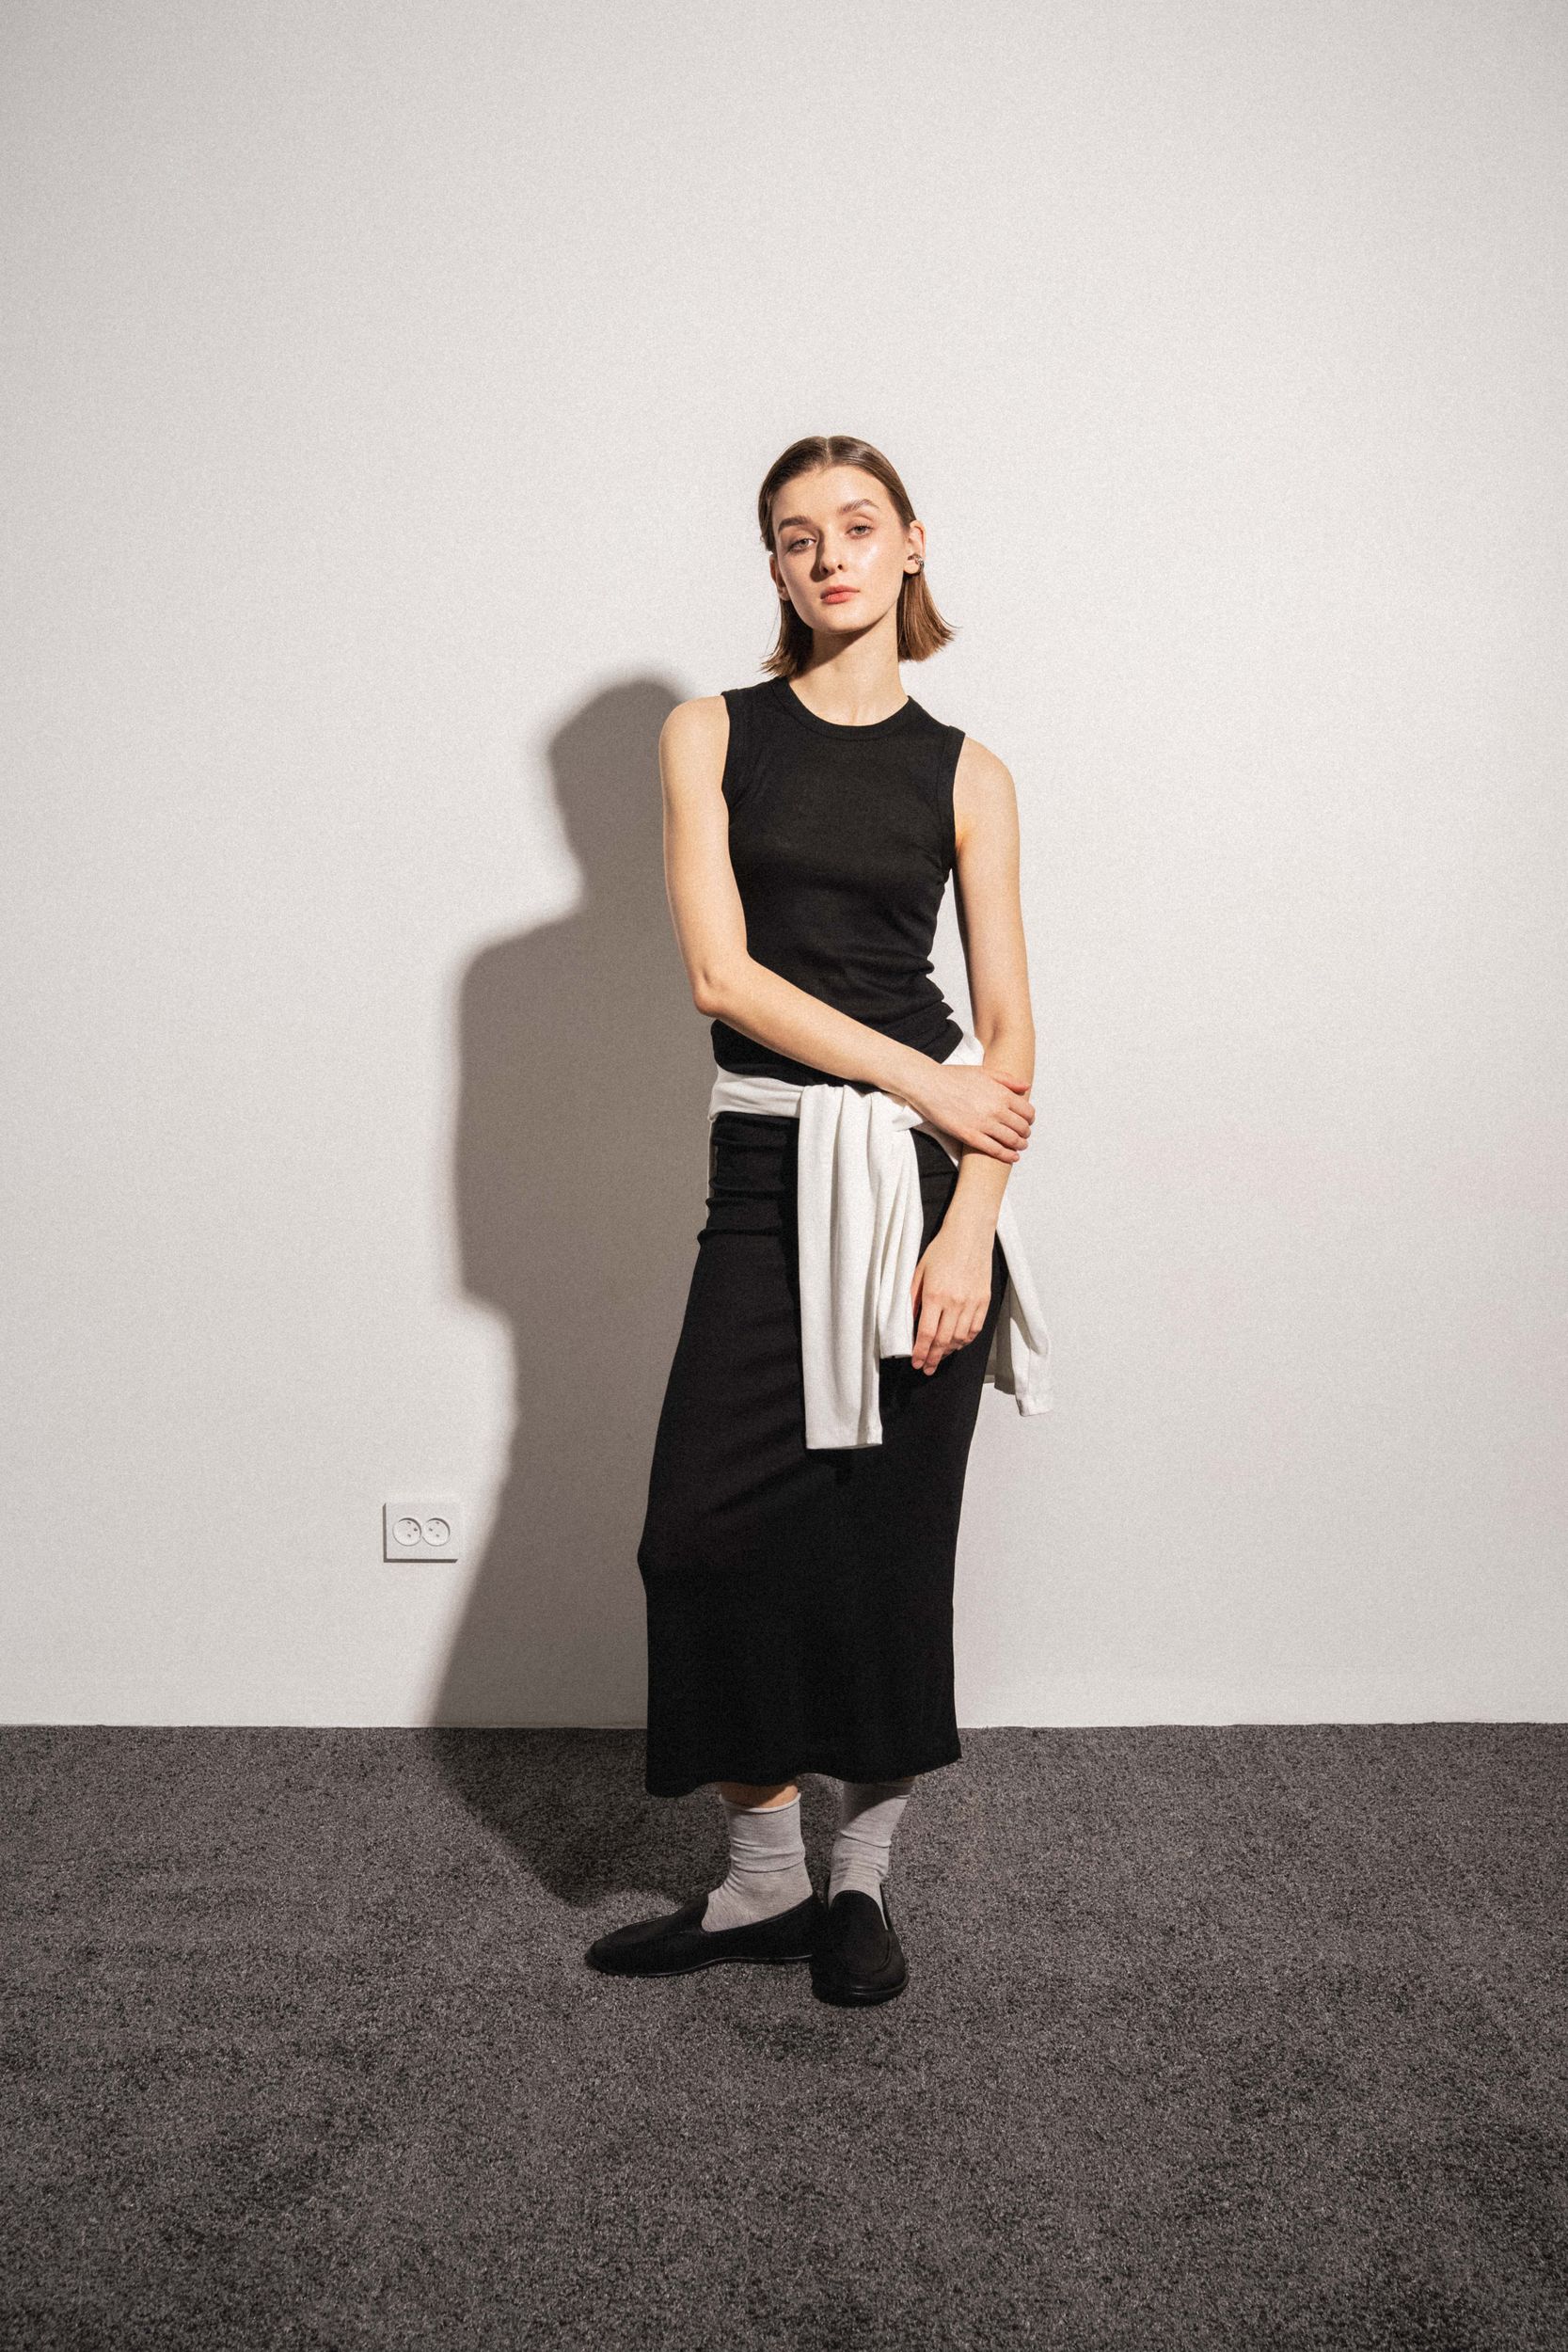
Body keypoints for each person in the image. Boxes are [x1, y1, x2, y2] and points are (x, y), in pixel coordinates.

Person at [586, 433, 1051, 2006]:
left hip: (927, 1183)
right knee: (698, 1534)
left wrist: (971, 1227)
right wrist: (923, 1081)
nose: (829, 554)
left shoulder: (969, 774)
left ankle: (858, 1881)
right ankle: (761, 1879)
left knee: (885, 1543)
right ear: (776, 568)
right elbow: (723, 978)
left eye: (858, 525)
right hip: (774, 1162)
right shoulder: (710, 733)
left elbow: (1011, 1034)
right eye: (797, 536)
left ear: (912, 544)